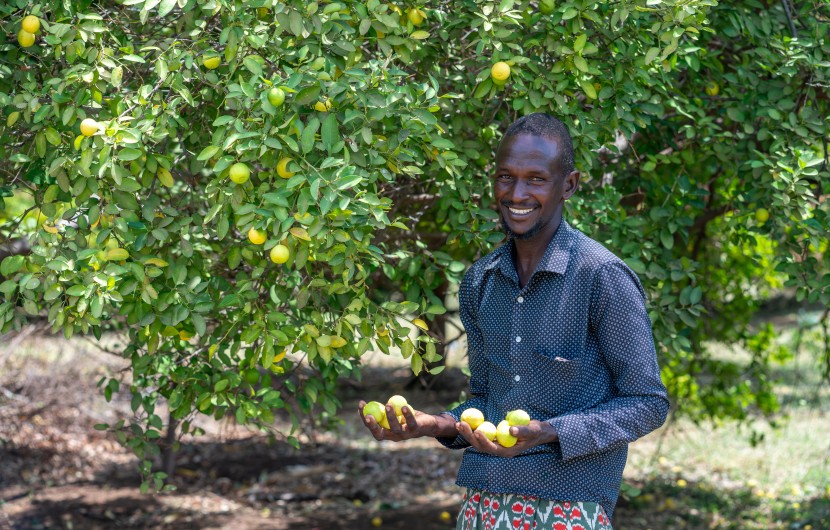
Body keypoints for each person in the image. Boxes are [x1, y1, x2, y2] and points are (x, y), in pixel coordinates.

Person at [359, 113, 669, 529]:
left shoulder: (600, 277)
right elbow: (488, 400)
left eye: (536, 179)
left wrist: (552, 431)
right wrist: (433, 425)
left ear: (569, 185)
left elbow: (648, 402)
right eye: (506, 177)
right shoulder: (480, 282)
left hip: (569, 509)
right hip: (483, 506)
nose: (517, 193)